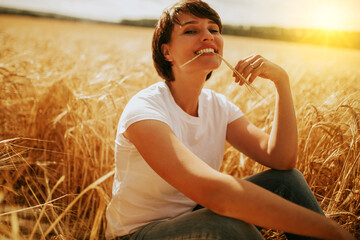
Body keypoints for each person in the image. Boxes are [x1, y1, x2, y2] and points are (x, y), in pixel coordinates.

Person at [105, 0, 355, 239]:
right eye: (191, 30)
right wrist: (329, 230)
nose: (207, 36)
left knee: (287, 181)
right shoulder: (145, 109)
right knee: (230, 227)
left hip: (194, 214)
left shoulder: (218, 106)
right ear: (167, 51)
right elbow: (216, 195)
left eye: (213, 29)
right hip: (140, 232)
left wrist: (282, 82)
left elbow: (281, 158)